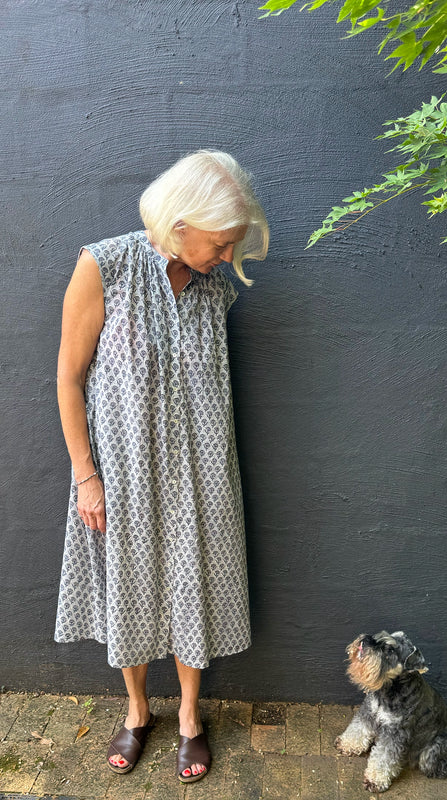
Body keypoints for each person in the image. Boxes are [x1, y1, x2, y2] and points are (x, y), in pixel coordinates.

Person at [54, 150, 269, 783]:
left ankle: (190, 719)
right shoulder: (105, 266)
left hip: (202, 474)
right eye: (220, 242)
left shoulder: (212, 289)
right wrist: (85, 477)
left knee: (193, 587)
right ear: (181, 223)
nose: (226, 257)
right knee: (132, 589)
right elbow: (69, 379)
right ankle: (139, 709)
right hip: (122, 474)